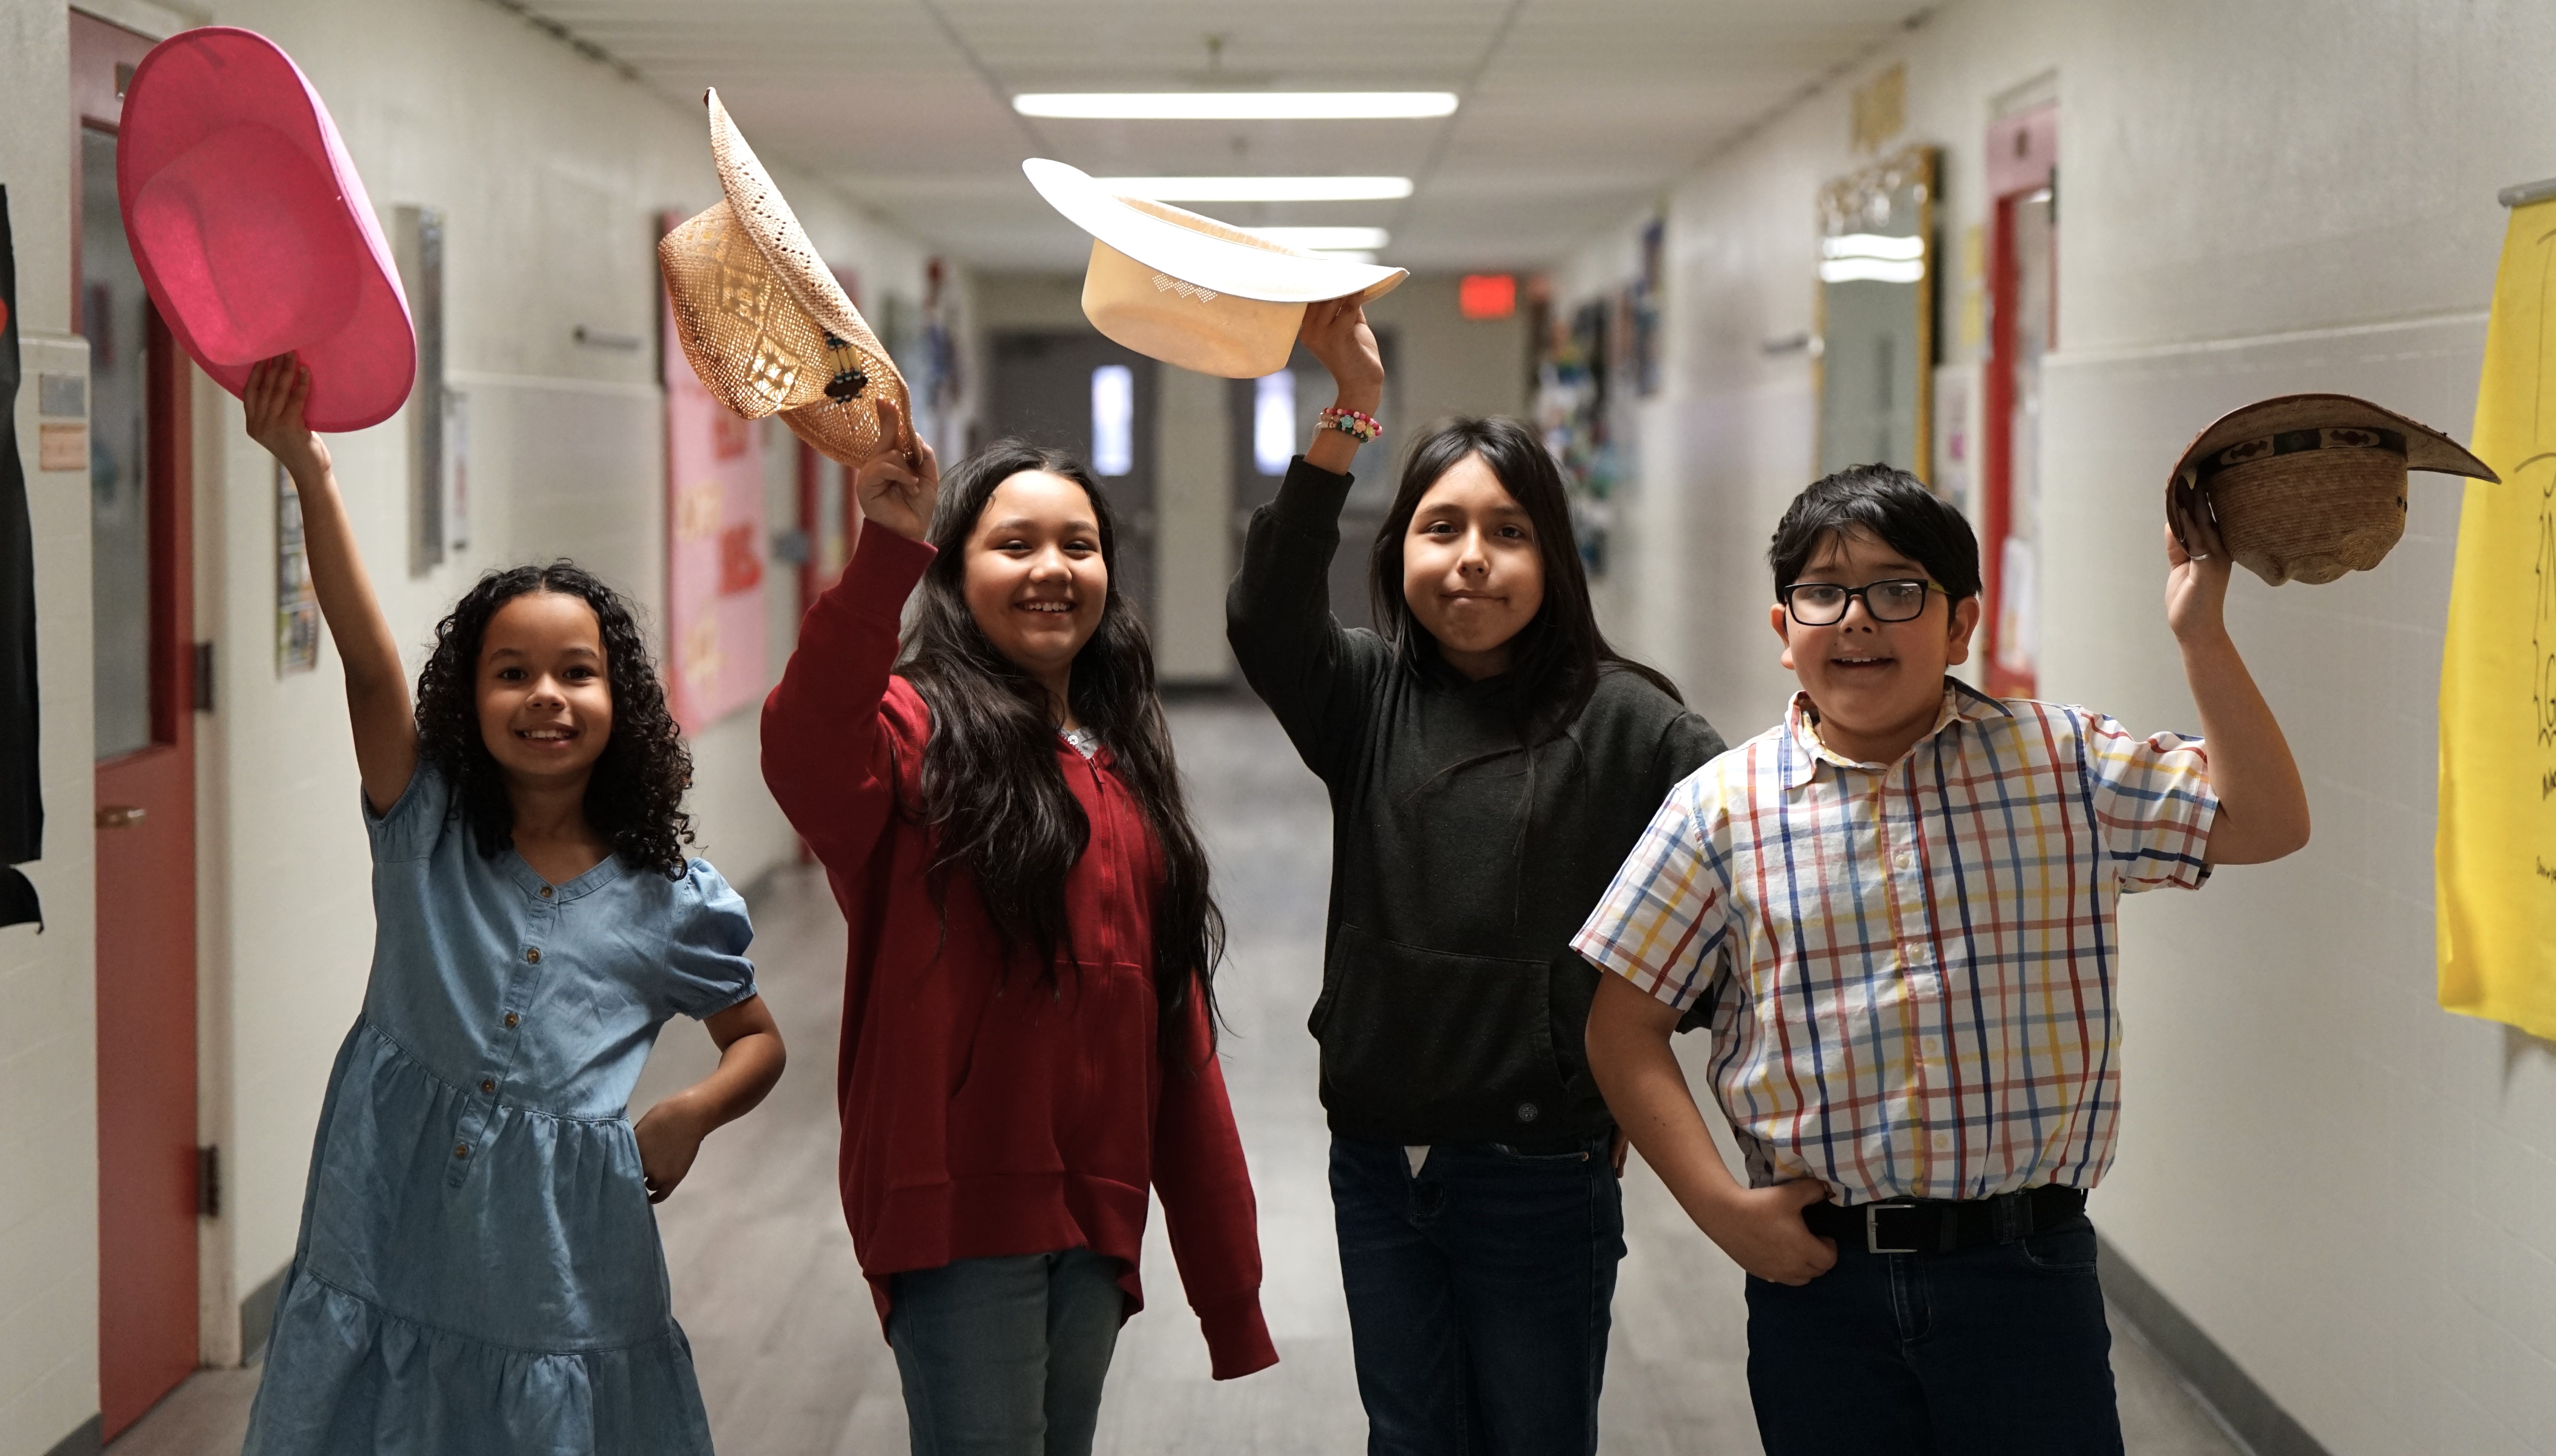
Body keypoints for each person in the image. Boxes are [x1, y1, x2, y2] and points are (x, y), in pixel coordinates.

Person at [1576, 464, 2313, 1454]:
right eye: (1822, 593)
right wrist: (1721, 1211)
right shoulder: (1719, 809)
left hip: (2025, 1274)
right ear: (1782, 627)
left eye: (1896, 590)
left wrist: (2201, 637)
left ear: (1960, 624)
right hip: (1820, 1279)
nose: (1856, 621)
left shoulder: (2060, 763)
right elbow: (1622, 1029)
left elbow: (2265, 823)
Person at [237, 353, 786, 1456]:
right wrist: (310, 472)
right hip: (389, 1206)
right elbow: (365, 664)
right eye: (511, 673)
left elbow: (759, 1042)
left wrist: (692, 1111)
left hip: (562, 1257)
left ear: (619, 702)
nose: (546, 696)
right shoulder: (424, 824)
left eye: (576, 672)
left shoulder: (672, 899)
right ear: (468, 699)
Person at [1226, 298, 1726, 1456]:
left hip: (1540, 1167)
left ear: (1552, 553)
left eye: (1506, 531)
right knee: (1409, 1436)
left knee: (1535, 1438)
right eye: (1439, 527)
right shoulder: (1364, 698)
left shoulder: (1633, 723)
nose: (1470, 560)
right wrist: (1349, 407)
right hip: (1379, 1156)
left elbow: (1738, 894)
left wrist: (1619, 1053)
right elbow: (1264, 610)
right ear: (1397, 548)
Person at [762, 403, 1275, 1456]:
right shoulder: (911, 732)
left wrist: (1227, 1274)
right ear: (957, 575)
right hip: (958, 1212)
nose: (1053, 568)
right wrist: (886, 556)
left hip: (1097, 1210)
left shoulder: (1121, 762)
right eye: (1015, 544)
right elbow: (807, 741)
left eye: (1078, 545)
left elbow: (1170, 1025)